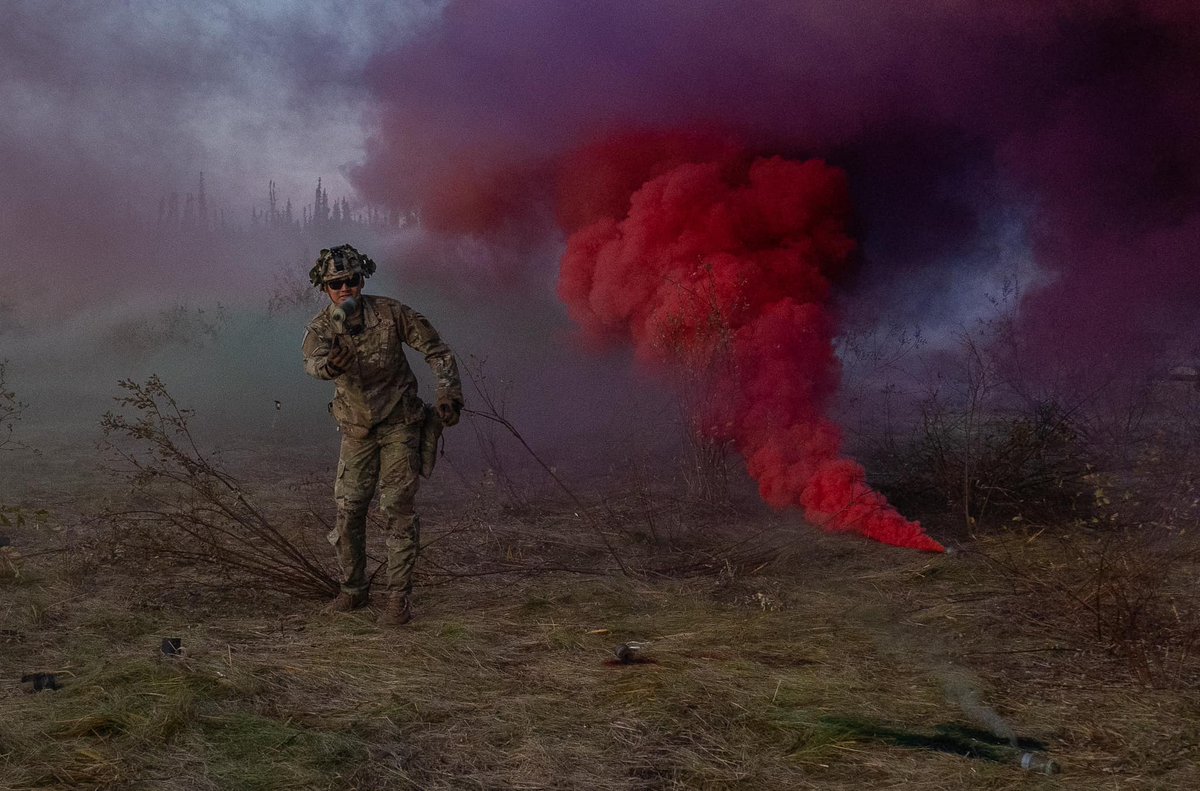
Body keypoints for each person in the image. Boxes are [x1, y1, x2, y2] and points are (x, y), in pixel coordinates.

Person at [302, 244, 462, 625]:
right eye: (336, 283)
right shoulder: (322, 327)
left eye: (352, 281)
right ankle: (353, 591)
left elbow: (437, 351)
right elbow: (311, 362)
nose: (345, 289)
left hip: (399, 424)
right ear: (325, 288)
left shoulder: (392, 313)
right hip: (357, 430)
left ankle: (397, 599)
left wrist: (447, 391)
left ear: (362, 280)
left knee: (397, 511)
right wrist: (329, 366)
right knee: (349, 511)